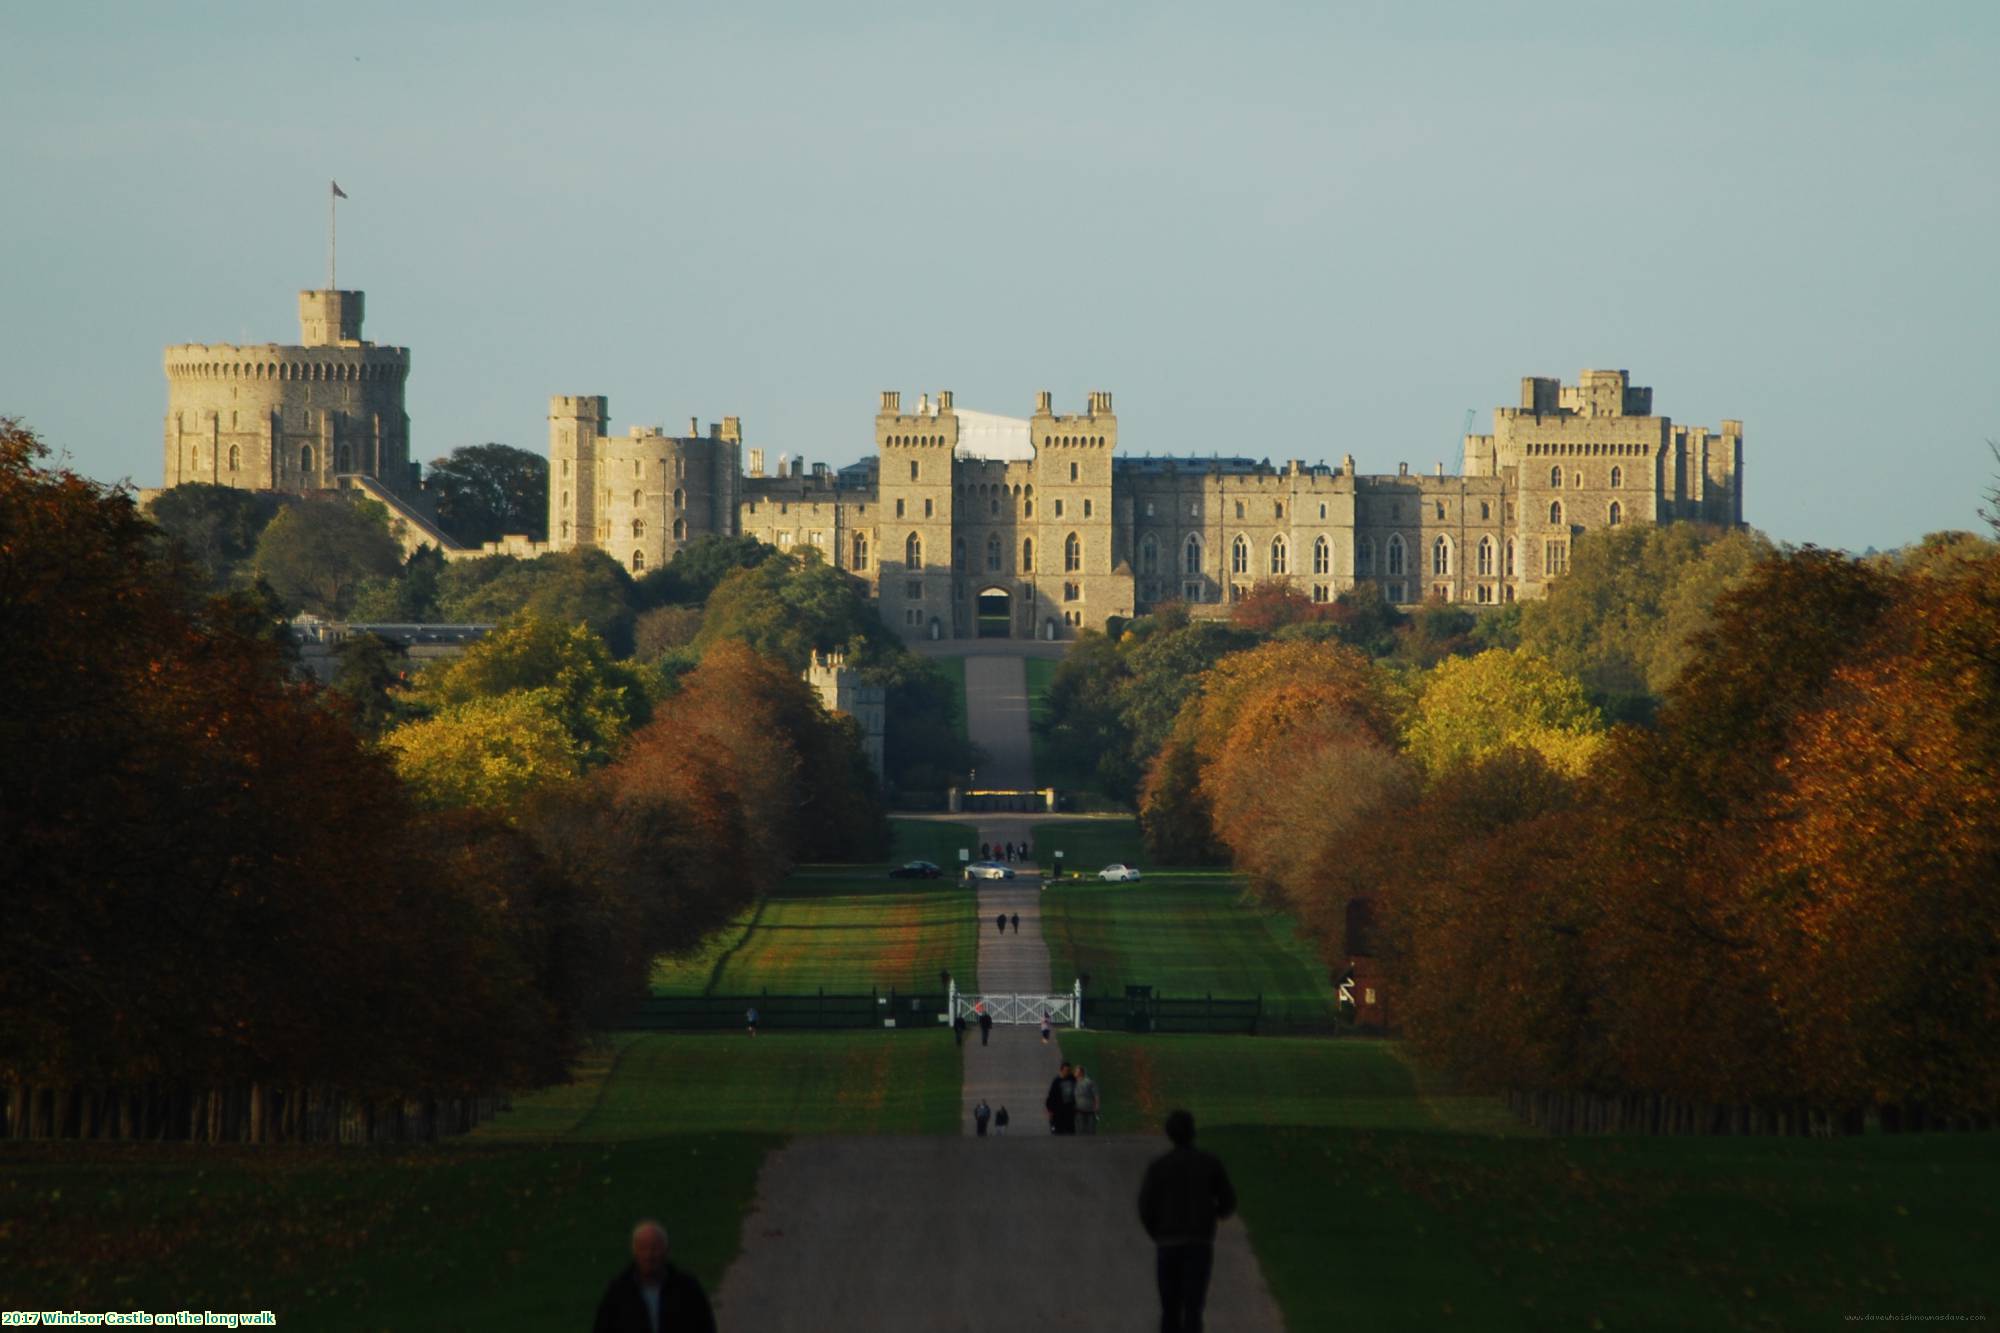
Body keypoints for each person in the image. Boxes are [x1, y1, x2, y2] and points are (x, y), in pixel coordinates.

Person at [1138, 1111, 1237, 1333]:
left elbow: (1145, 1207)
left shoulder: (1159, 1167)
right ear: (1192, 1132)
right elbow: (1228, 1200)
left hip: (1168, 1242)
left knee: (1169, 1307)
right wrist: (1213, 1215)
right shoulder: (1209, 1163)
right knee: (1193, 1307)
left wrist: (1158, 1231)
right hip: (1198, 1241)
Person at [592, 1219, 715, 1333]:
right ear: (634, 1252)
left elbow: (705, 1327)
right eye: (643, 1248)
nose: (649, 1255)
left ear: (666, 1250)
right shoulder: (618, 1292)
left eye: (655, 1248)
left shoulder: (687, 1289)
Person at [1045, 1061, 1077, 1134]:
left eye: (1069, 1070)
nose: (1067, 1072)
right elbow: (1051, 1095)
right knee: (1059, 1129)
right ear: (1061, 1070)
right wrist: (1050, 1109)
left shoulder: (1072, 1079)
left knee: (1070, 1129)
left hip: (1069, 1108)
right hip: (1059, 1109)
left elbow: (1077, 1091)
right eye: (1066, 1070)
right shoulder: (1056, 1081)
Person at [1075, 1064, 1101, 1134]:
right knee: (1080, 1128)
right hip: (1079, 1109)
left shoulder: (1089, 1082)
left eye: (1077, 1071)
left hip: (1090, 1109)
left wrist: (1097, 1105)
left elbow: (1096, 1094)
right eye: (1076, 1071)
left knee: (1091, 1129)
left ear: (1081, 1072)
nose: (1075, 1073)